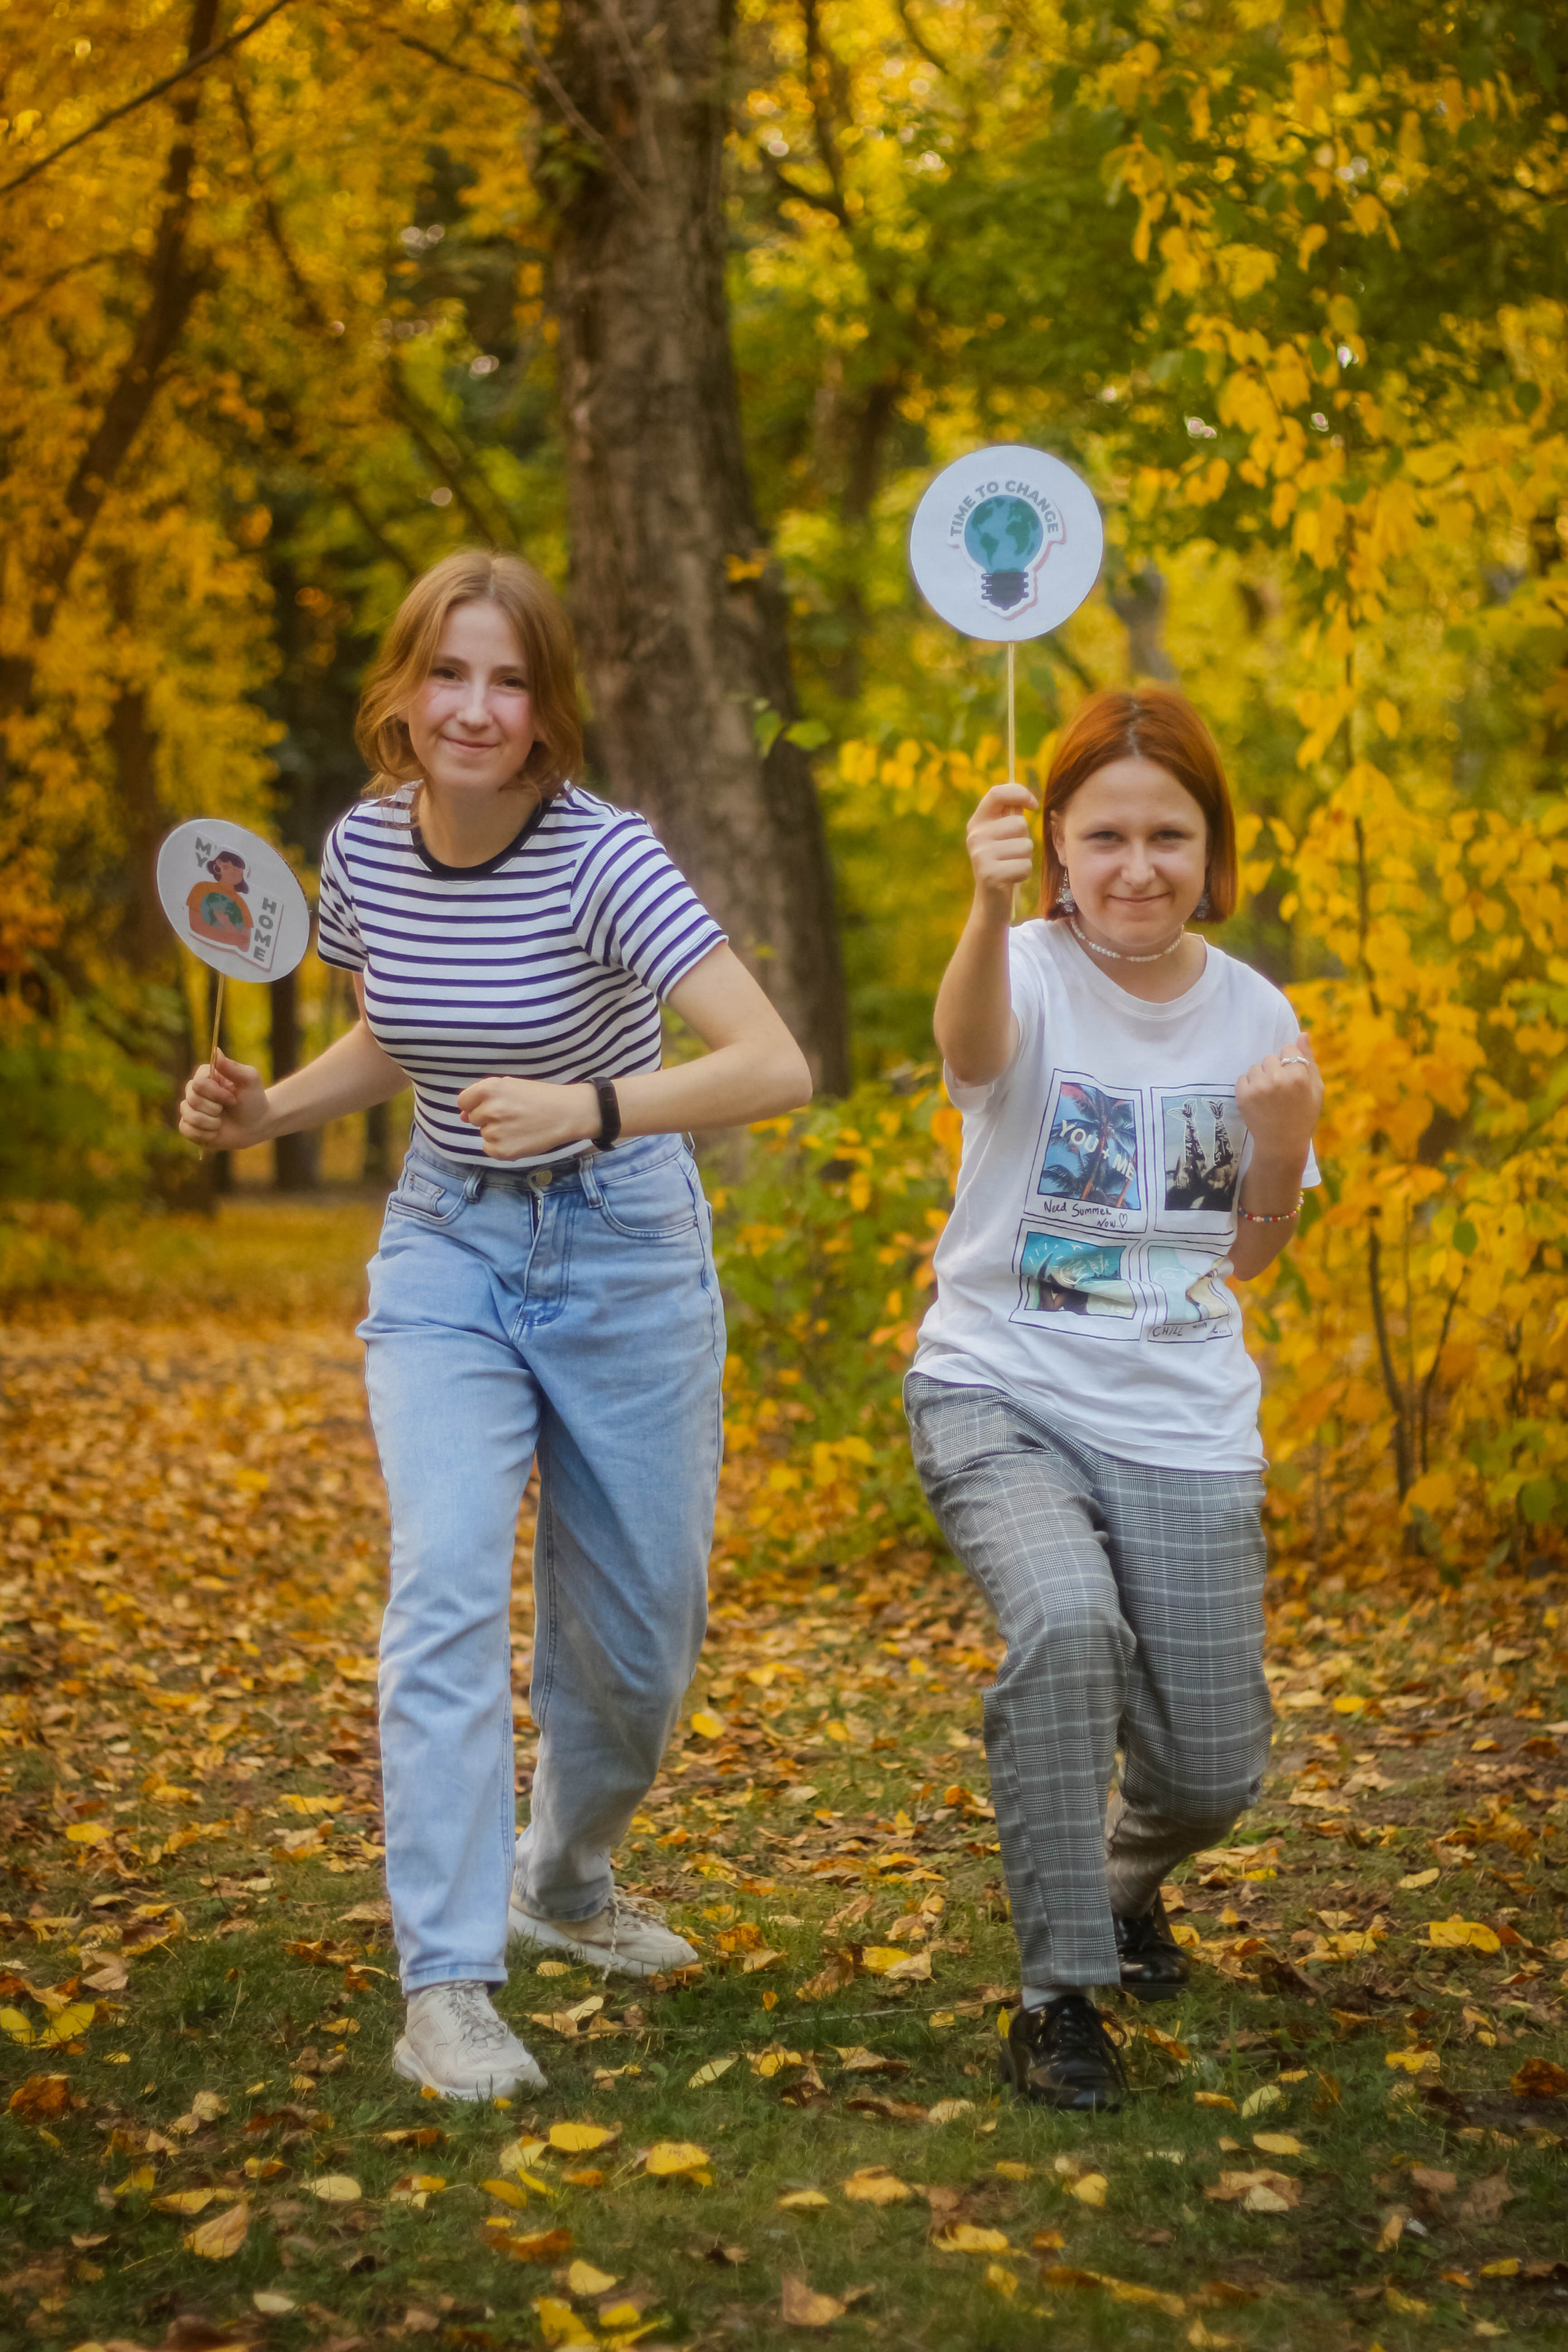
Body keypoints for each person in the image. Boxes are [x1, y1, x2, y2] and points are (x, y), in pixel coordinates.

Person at [179, 549, 812, 2100]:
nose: (474, 707)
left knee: (641, 1647)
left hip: (627, 1261)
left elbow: (772, 1063)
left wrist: (591, 1105)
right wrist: (267, 1113)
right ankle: (445, 1980)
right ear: (399, 692)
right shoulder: (366, 851)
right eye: (446, 674)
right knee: (444, 1585)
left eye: (508, 680)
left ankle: (566, 1880)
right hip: (449, 1253)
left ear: (545, 711)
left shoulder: (608, 858)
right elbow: (397, 1027)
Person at [905, 687, 1322, 2113]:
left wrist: (1280, 1147)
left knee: (1210, 1774)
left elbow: (1249, 1256)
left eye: (1167, 835)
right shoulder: (1020, 965)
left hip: (1181, 1414)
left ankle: (1118, 1885)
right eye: (1103, 837)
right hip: (996, 1387)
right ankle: (1055, 1997)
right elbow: (967, 1056)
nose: (1135, 865)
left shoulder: (1253, 1010)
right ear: (1057, 848)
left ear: (1211, 849)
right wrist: (981, 900)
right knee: (1068, 1628)